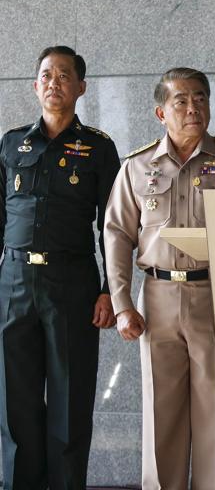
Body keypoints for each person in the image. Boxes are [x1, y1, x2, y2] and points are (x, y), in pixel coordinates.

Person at [104, 68, 215, 489]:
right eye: (181, 101)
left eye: (201, 99)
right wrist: (122, 305)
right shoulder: (137, 167)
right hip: (157, 298)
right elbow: (117, 234)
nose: (194, 108)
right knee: (162, 415)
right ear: (160, 111)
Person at [0, 46, 119, 488]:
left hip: (71, 283)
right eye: (46, 75)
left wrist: (110, 289)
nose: (54, 83)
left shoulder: (97, 147)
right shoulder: (13, 143)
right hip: (13, 281)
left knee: (70, 403)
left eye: (64, 75)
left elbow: (113, 224)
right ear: (35, 86)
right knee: (15, 403)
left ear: (80, 87)